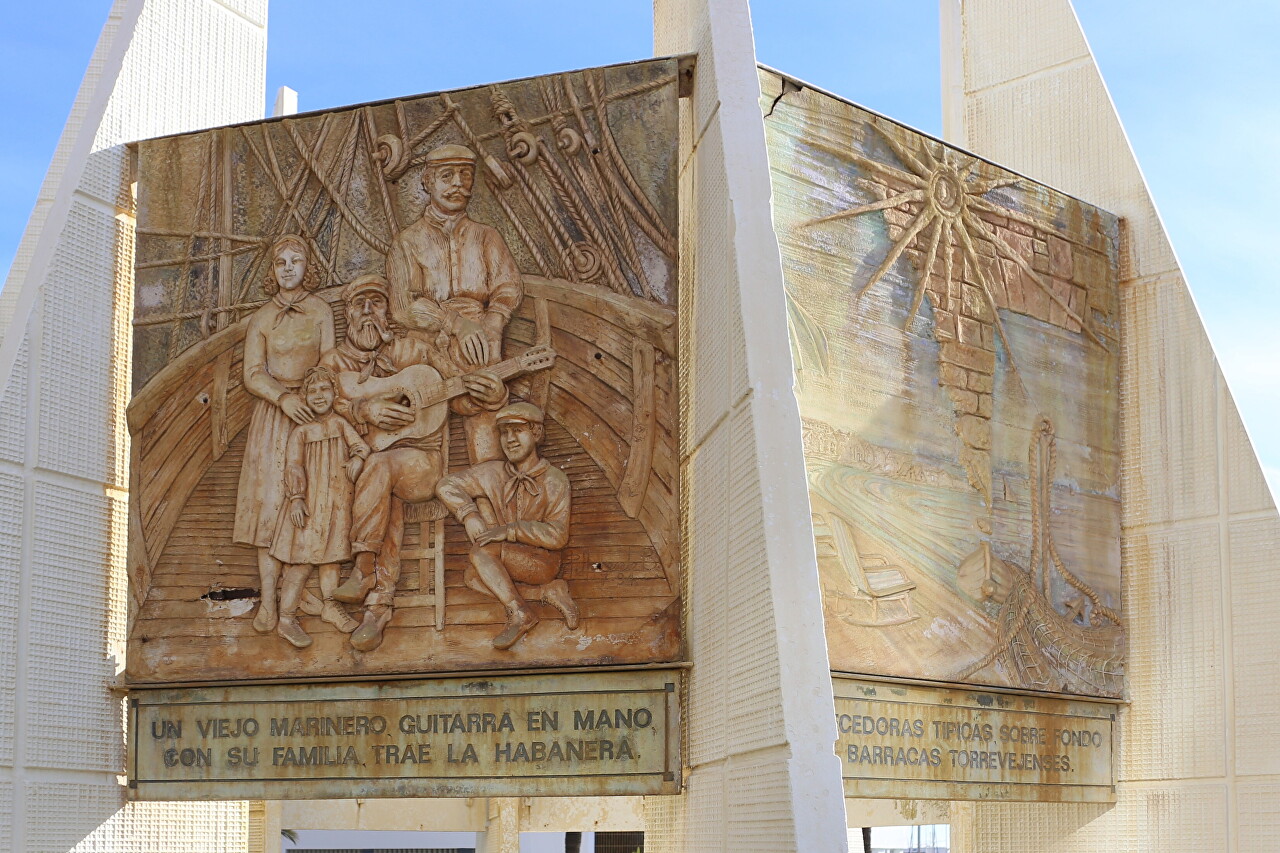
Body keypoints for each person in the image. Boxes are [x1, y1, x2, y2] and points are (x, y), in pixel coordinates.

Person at [321, 274, 507, 652]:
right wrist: (362, 408)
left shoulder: (417, 350)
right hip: (361, 467)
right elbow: (317, 406)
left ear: (389, 311)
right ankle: (378, 606)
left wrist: (493, 395)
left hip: (423, 463)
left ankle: (364, 569)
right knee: (378, 475)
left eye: (377, 302)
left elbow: (458, 397)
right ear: (348, 314)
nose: (369, 312)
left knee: (379, 469)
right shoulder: (333, 362)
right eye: (360, 305)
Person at [386, 144, 523, 463]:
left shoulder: (486, 236)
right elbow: (403, 306)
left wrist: (494, 321)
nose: (458, 183)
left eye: (465, 175)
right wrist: (454, 324)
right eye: (447, 176)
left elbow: (508, 284)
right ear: (427, 181)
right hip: (427, 343)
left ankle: (489, 484)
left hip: (480, 342)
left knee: (485, 392)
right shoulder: (407, 242)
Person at [233, 234, 335, 634]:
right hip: (274, 417)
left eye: (296, 261)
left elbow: (329, 362)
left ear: (307, 267)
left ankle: (296, 598)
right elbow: (253, 372)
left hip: (312, 414)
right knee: (268, 507)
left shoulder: (321, 310)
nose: (288, 269)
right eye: (281, 263)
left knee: (308, 502)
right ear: (273, 271)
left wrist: (314, 399)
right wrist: (282, 398)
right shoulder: (262, 318)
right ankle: (269, 601)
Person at [436, 402, 578, 650]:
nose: (509, 440)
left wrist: (509, 530)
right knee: (473, 576)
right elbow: (445, 485)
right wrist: (469, 514)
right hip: (506, 557)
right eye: (504, 432)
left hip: (542, 561)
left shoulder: (555, 479)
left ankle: (520, 612)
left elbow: (558, 536)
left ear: (536, 433)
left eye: (518, 431)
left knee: (480, 555)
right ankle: (546, 594)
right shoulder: (492, 472)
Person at [268, 366, 369, 648]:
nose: (319, 395)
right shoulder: (301, 432)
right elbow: (293, 466)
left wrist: (358, 459)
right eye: (312, 391)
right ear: (304, 397)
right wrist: (296, 498)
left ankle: (329, 606)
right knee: (300, 564)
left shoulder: (339, 424)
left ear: (334, 394)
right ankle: (286, 618)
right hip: (310, 507)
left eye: (324, 390)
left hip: (336, 505)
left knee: (331, 560)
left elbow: (360, 446)